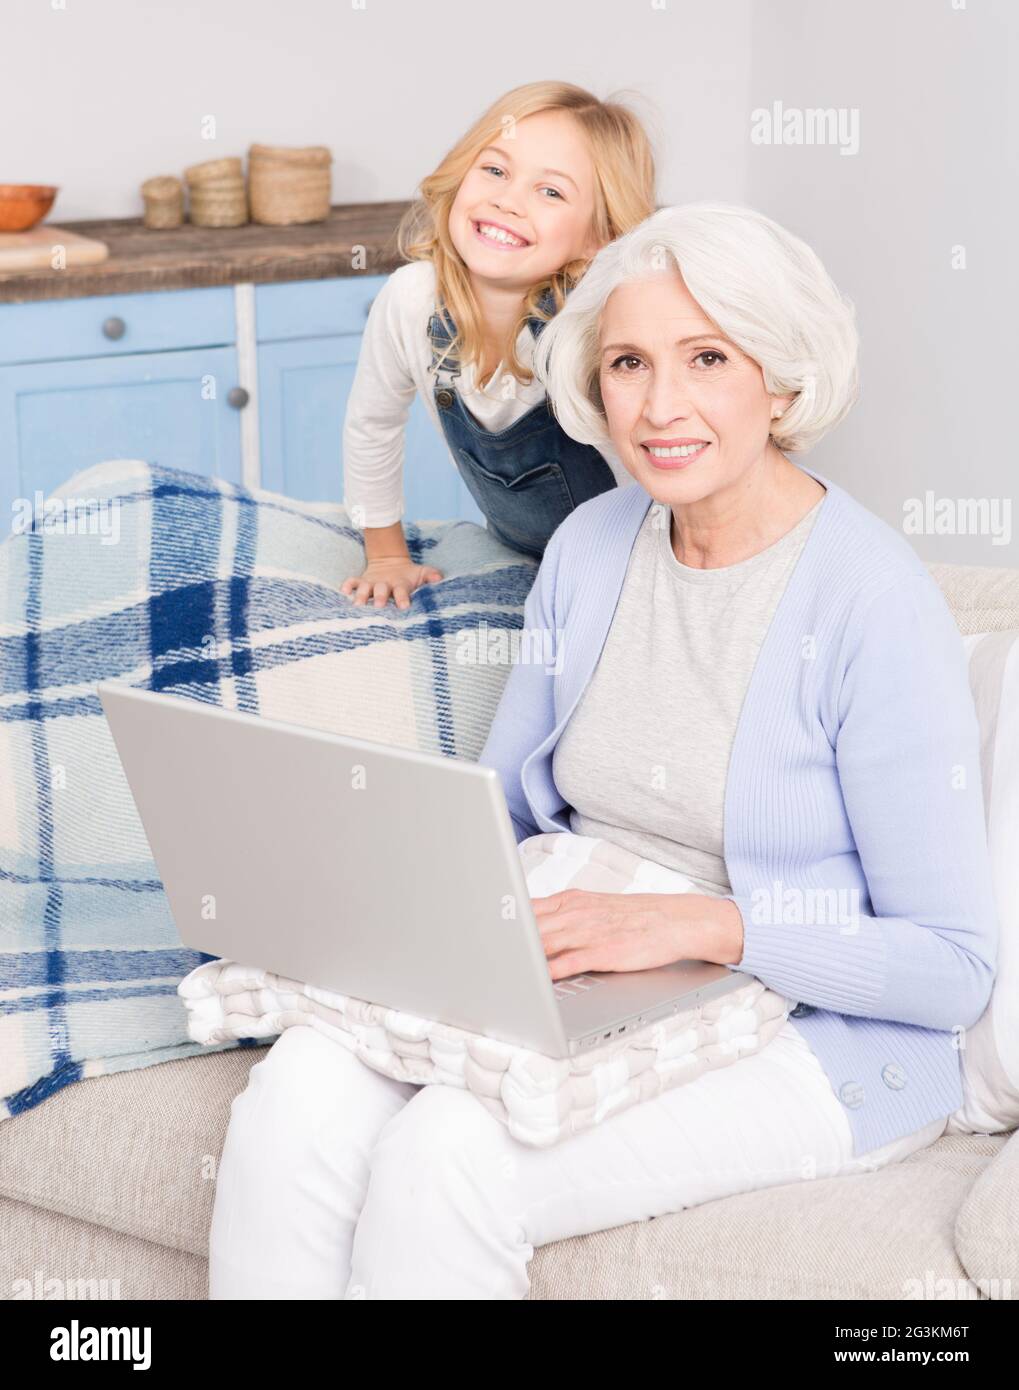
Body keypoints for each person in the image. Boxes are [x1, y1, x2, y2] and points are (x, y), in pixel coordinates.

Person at [208, 203, 997, 1300]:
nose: (659, 406)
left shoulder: (872, 602)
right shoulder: (588, 546)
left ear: (779, 382)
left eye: (707, 357)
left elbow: (949, 967)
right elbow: (496, 815)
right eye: (628, 361)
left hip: (821, 1037)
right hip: (588, 965)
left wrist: (699, 925)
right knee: (296, 1091)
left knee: (450, 1155)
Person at [340, 80, 656, 609]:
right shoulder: (412, 300)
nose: (508, 201)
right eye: (495, 170)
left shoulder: (592, 325)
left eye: (551, 191)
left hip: (631, 561)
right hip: (516, 554)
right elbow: (372, 425)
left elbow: (652, 463)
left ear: (598, 236)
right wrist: (387, 554)